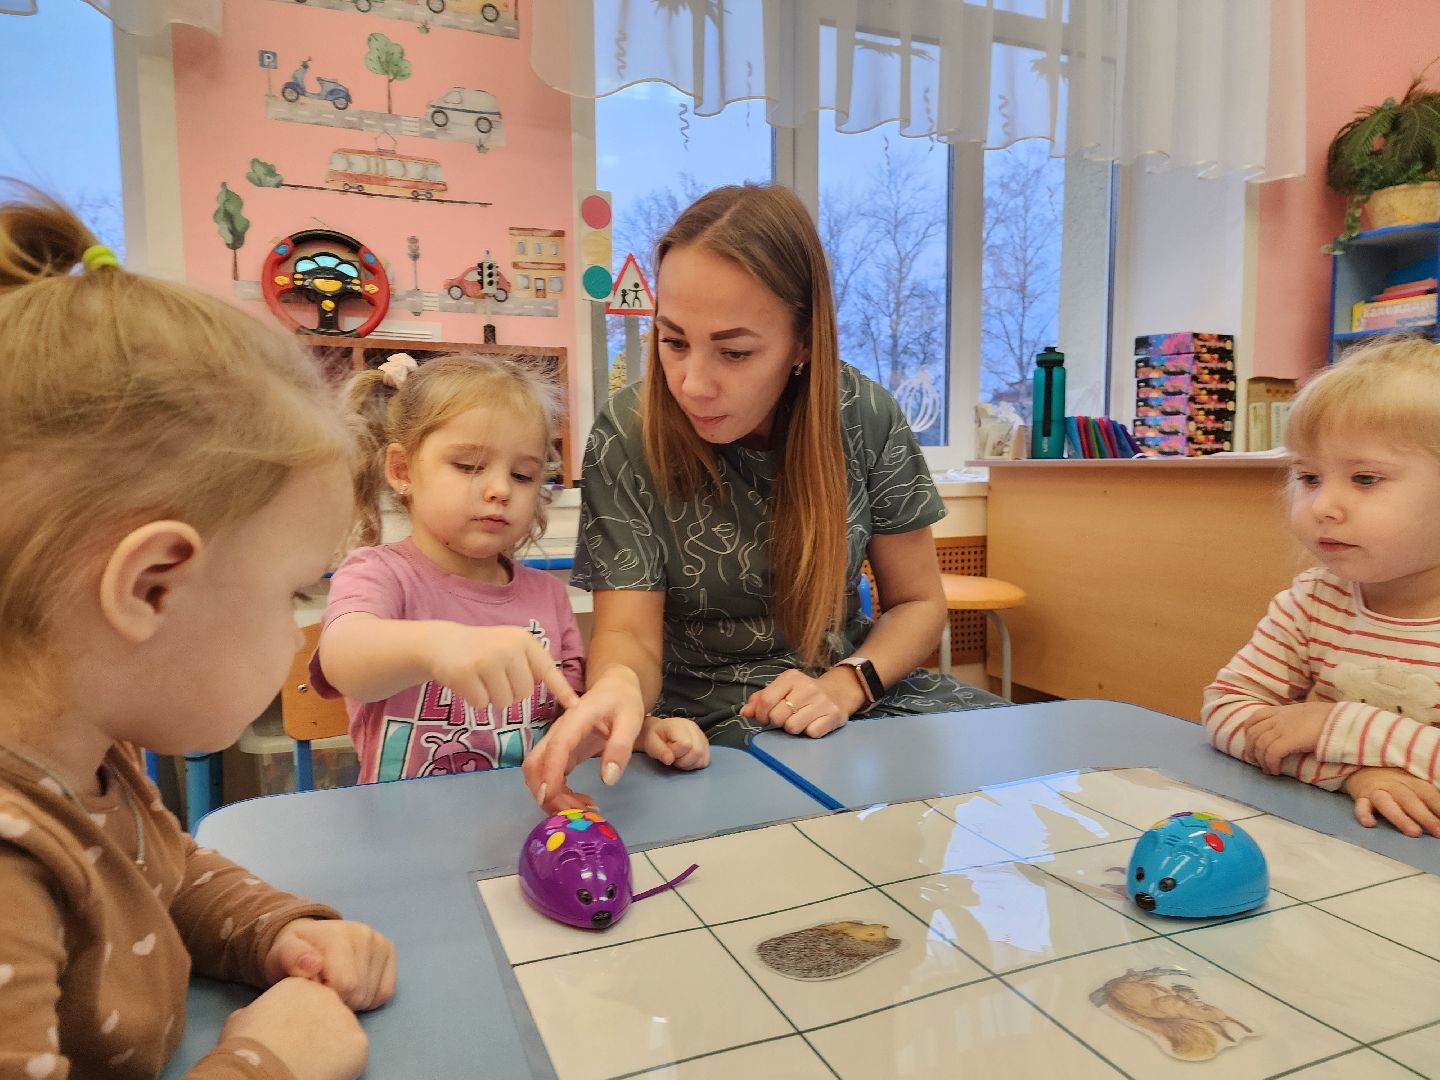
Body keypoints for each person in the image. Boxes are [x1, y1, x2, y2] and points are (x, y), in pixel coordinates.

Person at [0, 190, 394, 1078]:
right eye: (291, 593)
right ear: (151, 587)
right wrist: (264, 1066)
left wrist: (275, 930)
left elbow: (166, 874)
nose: (299, 633)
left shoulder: (88, 762)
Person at [525, 183, 1004, 811]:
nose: (693, 383)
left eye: (735, 352)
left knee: (1007, 785)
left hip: (844, 699)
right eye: (673, 341)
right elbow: (631, 637)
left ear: (803, 343)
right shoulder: (630, 430)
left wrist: (849, 682)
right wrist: (616, 686)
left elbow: (917, 603)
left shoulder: (864, 418)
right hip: (694, 726)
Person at [310, 353, 709, 783]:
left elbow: (573, 717)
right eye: (468, 466)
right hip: (404, 830)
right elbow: (342, 660)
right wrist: (435, 645)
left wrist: (640, 732)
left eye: (522, 475)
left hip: (522, 825)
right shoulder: (377, 573)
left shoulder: (549, 598)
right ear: (402, 469)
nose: (500, 489)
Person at [1203, 337, 1440, 839]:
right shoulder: (1314, 601)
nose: (1323, 506)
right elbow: (1225, 708)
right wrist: (1353, 774)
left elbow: (1305, 728)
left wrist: (1338, 728)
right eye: (1309, 477)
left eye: (1366, 479)